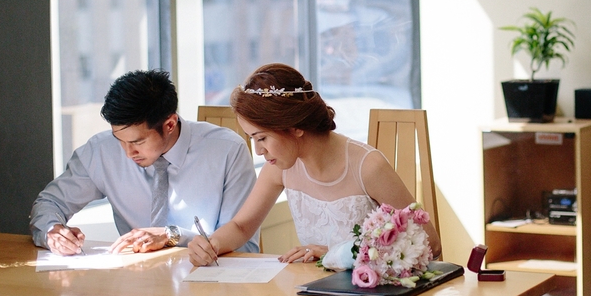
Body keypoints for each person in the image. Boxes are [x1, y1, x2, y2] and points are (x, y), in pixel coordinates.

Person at [188, 63, 441, 266]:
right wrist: (212, 244)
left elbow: (430, 242)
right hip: (313, 293)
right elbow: (242, 226)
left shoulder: (367, 166)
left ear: (295, 127)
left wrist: (339, 254)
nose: (258, 150)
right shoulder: (279, 168)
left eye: (262, 138)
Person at [30, 69, 259, 255]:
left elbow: (243, 246)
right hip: (136, 287)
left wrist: (172, 236)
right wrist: (53, 231)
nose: (128, 153)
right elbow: (50, 203)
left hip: (209, 290)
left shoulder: (228, 151)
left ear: (169, 125)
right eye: (120, 140)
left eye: (138, 142)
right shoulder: (102, 151)